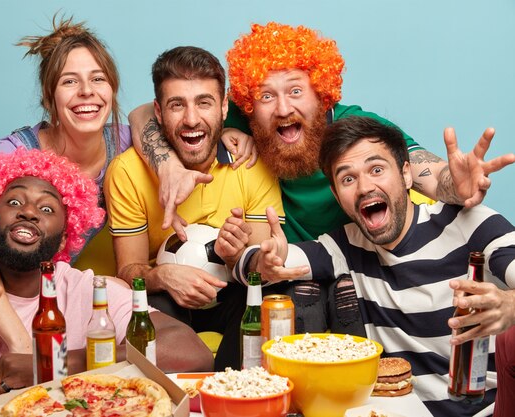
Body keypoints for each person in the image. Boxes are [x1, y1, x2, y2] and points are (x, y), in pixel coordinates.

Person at [135, 21, 515, 336]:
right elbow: (142, 116)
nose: (283, 108)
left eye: (297, 91)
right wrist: (168, 165)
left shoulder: (356, 131)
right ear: (249, 108)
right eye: (266, 97)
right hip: (301, 267)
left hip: (378, 268)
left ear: (324, 95)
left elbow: (421, 169)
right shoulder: (241, 120)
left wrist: (456, 184)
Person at [0, 149, 213, 417]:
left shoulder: (86, 289)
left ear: (63, 240)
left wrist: (53, 364)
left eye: (46, 208)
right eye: (14, 202)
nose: (28, 211)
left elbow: (190, 351)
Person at [238, 116, 515, 417]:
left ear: (407, 174)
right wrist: (262, 259)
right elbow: (263, 262)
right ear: (337, 196)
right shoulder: (347, 246)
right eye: (347, 179)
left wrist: (509, 304)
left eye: (377, 170)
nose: (364, 187)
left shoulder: (473, 225)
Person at [0, 15, 132, 355]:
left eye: (98, 79)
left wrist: (231, 134)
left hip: (35, 285)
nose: (87, 92)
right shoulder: (17, 151)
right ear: (49, 99)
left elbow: (157, 113)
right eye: (69, 82)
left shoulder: (126, 142)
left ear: (112, 89)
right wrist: (22, 345)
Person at [104, 46, 284, 371]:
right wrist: (161, 276)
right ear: (158, 112)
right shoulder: (127, 171)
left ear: (224, 106)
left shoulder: (252, 165)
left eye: (204, 102)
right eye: (177, 105)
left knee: (267, 303)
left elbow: (258, 271)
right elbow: (128, 271)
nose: (191, 119)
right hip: (165, 298)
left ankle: (236, 395)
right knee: (145, 304)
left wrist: (237, 254)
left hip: (232, 293)